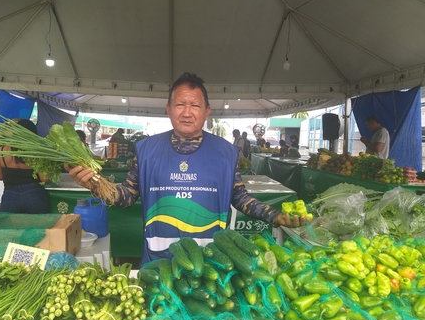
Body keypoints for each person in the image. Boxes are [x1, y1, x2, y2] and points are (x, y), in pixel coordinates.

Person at [66, 72, 309, 266]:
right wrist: (92, 184)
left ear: (207, 112)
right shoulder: (146, 150)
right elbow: (127, 197)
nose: (187, 111)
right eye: (180, 104)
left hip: (211, 262)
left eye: (195, 105)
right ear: (168, 109)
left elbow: (241, 198)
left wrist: (275, 216)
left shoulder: (226, 152)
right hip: (158, 261)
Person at [0, 119, 49, 213]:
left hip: (9, 196)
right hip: (33, 195)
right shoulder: (36, 152)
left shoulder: (1, 151)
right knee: (37, 226)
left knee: (11, 227)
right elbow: (44, 178)